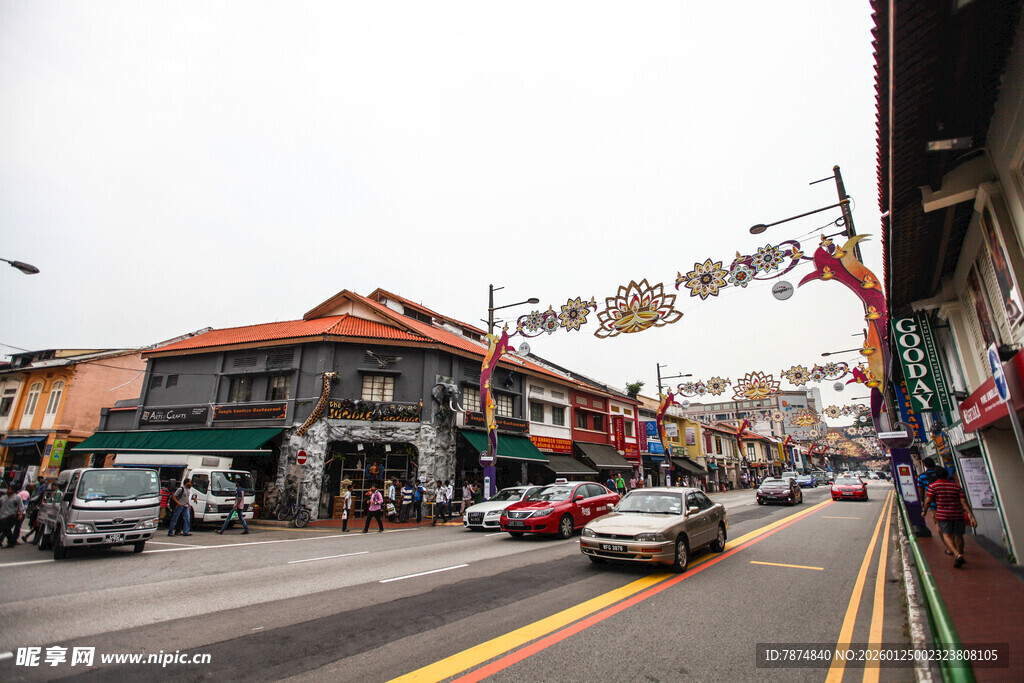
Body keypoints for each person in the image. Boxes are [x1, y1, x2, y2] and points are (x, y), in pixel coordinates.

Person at [923, 467, 976, 569]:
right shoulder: (956, 487)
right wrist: (972, 516)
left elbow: (928, 500)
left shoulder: (933, 486)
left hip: (943, 515)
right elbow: (964, 502)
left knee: (946, 535)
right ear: (947, 475)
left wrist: (924, 511)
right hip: (958, 514)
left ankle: (956, 554)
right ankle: (960, 554)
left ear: (936, 476)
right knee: (959, 535)